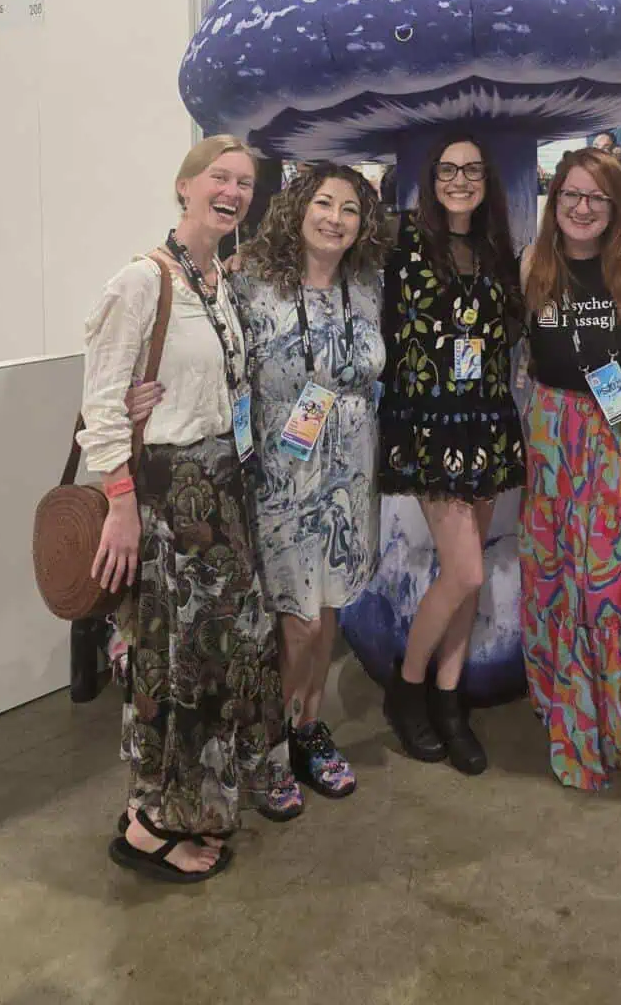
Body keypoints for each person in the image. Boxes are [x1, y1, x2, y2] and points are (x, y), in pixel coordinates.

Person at [79, 134, 284, 882]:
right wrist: (120, 505)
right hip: (168, 499)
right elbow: (102, 403)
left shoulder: (217, 279)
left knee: (215, 663)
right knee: (170, 665)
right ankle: (149, 824)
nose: (232, 192)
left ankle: (188, 805)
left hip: (222, 492)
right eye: (219, 177)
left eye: (244, 183)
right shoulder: (142, 281)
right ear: (184, 185)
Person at [520, 148, 621, 791]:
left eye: (597, 198)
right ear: (554, 200)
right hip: (555, 442)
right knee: (563, 579)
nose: (582, 209)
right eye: (571, 195)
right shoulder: (533, 265)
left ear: (618, 206)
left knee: (614, 584)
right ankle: (572, 714)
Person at [237, 163, 388, 811]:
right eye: (324, 203)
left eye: (350, 209)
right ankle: (268, 744)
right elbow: (228, 375)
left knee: (327, 613)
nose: (335, 218)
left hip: (349, 475)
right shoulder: (253, 284)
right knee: (296, 621)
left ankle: (307, 728)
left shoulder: (367, 285)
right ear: (298, 208)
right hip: (284, 475)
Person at [378, 135, 525, 774]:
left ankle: (449, 696)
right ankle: (407, 687)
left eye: (472, 169)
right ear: (431, 179)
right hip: (428, 427)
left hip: (487, 421)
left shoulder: (497, 250)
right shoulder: (400, 241)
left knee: (471, 574)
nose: (459, 180)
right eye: (447, 170)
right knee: (464, 572)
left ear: (487, 179)